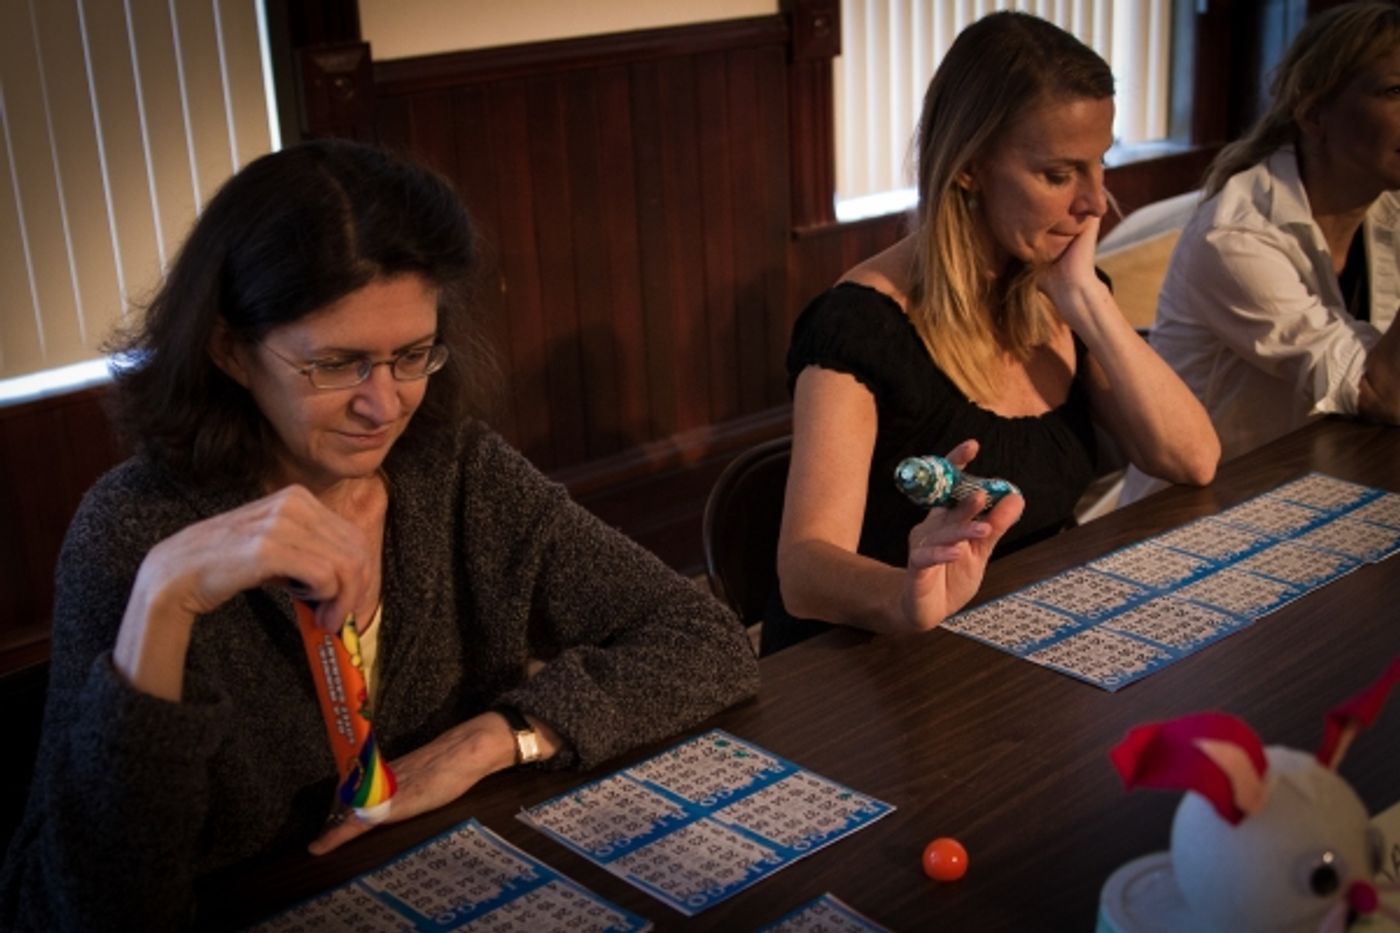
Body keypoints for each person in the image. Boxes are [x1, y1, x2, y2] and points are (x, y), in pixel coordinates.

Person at [0, 139, 758, 930]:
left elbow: (704, 638)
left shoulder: (451, 470)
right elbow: (80, 909)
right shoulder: (132, 535)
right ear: (230, 350)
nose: (384, 404)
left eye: (410, 355)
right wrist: (164, 598)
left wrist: (498, 736)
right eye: (337, 365)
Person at [767, 11, 1219, 654]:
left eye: (1100, 164)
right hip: (869, 663)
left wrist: (1087, 298)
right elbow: (804, 570)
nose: (1094, 201)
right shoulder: (859, 326)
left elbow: (1192, 459)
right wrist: (908, 595)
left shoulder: (1062, 295)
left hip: (1022, 638)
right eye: (1059, 175)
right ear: (970, 167)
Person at [1122, 1, 1400, 503]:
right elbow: (1384, 393)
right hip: (1201, 512)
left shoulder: (1388, 208)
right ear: (1315, 112)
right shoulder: (1235, 238)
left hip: (1318, 481)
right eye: (1395, 91)